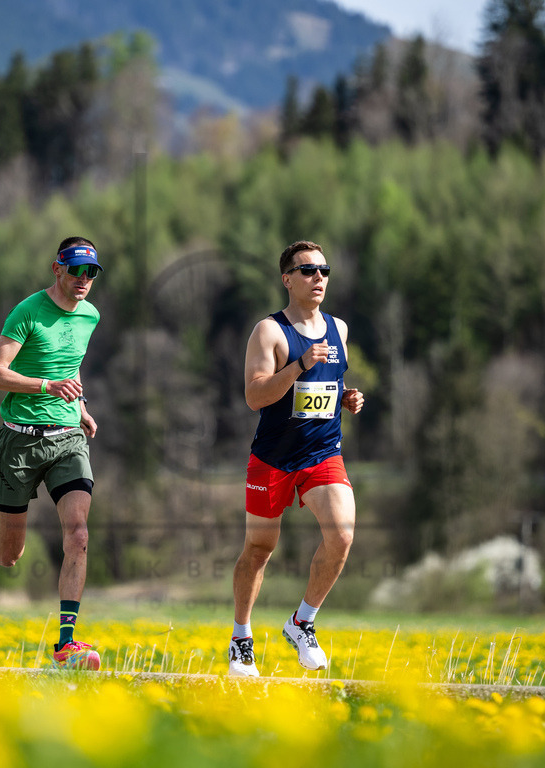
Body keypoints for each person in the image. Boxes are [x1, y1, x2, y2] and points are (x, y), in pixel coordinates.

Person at [0, 236, 104, 671]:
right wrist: (48, 387)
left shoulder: (90, 315)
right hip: (20, 443)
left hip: (67, 439)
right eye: (76, 270)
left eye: (91, 272)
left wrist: (81, 408)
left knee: (78, 535)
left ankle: (66, 645)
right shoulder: (27, 312)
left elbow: (69, 363)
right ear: (57, 268)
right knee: (10, 555)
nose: (83, 279)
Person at [228, 240, 364, 677]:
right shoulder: (268, 331)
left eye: (324, 270)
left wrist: (346, 397)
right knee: (259, 549)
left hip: (322, 454)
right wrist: (299, 364)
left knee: (342, 534)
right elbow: (255, 396)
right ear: (287, 279)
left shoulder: (339, 329)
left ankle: (302, 622)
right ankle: (241, 637)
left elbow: (326, 385)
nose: (318, 277)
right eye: (308, 270)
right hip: (273, 458)